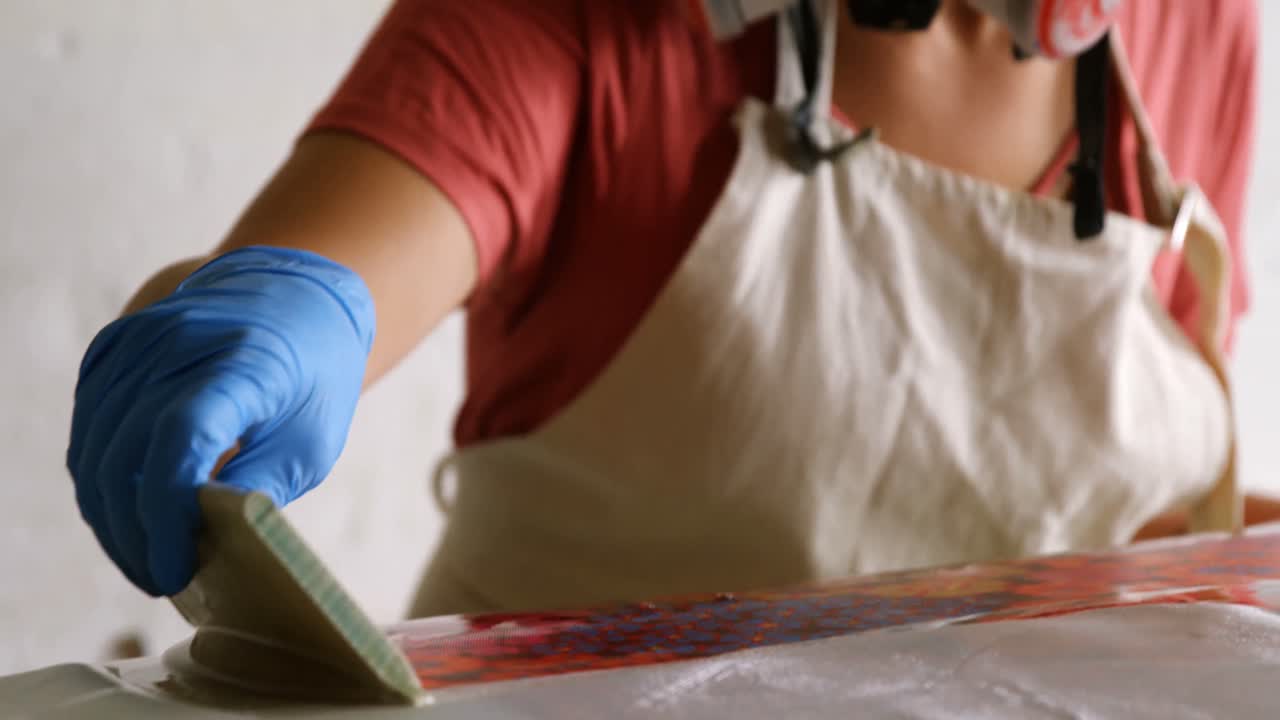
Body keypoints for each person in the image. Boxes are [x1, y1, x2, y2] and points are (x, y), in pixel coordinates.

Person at [67, 0, 1269, 616]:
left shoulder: (1191, 30)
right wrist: (259, 322)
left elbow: (1106, 499)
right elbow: (324, 269)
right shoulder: (582, 23)